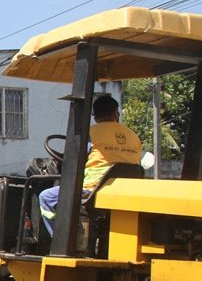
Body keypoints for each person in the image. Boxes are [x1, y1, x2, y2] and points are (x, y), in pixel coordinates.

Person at [39, 95, 142, 236]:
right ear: (115, 113)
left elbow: (74, 160)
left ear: (94, 115)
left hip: (93, 188)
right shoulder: (133, 135)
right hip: (126, 188)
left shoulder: (89, 133)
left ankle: (60, 240)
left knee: (46, 197)